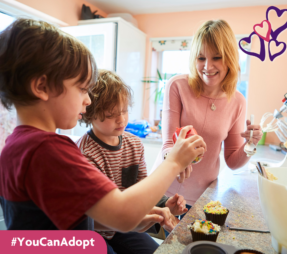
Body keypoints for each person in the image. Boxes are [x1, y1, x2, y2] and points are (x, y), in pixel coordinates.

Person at [0, 18, 206, 253]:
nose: (87, 100)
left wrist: (140, 218)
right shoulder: (48, 150)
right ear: (42, 87)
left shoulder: (15, 147)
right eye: (81, 89)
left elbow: (74, 219)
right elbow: (121, 214)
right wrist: (175, 161)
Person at [151, 20, 262, 209]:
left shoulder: (237, 101)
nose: (207, 67)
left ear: (230, 58)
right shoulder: (177, 86)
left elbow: (233, 161)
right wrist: (177, 159)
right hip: (164, 193)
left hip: (203, 199)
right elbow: (169, 144)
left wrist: (251, 144)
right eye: (201, 58)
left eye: (216, 57)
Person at [77, 69, 188, 253]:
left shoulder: (134, 144)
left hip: (126, 226)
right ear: (90, 113)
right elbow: (94, 215)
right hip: (94, 230)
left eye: (124, 111)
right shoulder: (85, 154)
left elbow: (143, 187)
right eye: (111, 115)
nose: (121, 119)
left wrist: (163, 204)